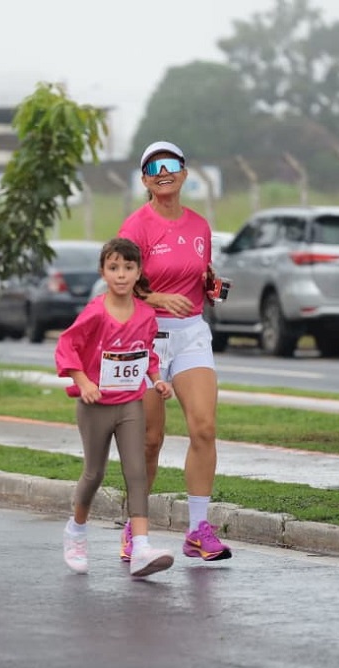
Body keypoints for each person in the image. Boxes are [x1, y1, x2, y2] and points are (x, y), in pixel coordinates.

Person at [117, 140, 233, 562]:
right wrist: (160, 299)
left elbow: (198, 273)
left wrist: (209, 286)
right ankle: (136, 527)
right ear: (145, 179)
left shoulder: (200, 226)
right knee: (150, 440)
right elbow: (123, 281)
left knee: (203, 428)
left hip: (191, 334)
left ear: (185, 173)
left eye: (171, 164)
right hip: (146, 335)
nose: (163, 171)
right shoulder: (136, 227)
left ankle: (199, 530)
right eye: (153, 167)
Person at [54, 237, 175, 577]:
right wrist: (84, 382)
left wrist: (157, 379)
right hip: (95, 406)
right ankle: (76, 531)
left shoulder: (147, 314)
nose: (121, 275)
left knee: (136, 472)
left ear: (138, 273)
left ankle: (141, 548)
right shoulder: (95, 312)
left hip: (130, 403)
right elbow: (67, 347)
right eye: (113, 268)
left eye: (128, 268)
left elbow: (146, 352)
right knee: (94, 473)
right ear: (103, 272)